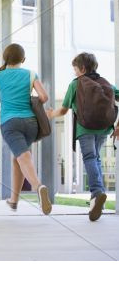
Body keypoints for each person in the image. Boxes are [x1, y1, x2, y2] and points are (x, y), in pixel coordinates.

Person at [47, 52, 119, 221]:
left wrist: (51, 114)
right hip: (103, 128)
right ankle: (96, 198)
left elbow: (63, 110)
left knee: (89, 158)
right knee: (96, 159)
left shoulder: (76, 84)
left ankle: (97, 192)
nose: (74, 73)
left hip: (85, 128)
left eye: (75, 70)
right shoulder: (107, 84)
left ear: (82, 68)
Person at [0, 43, 52, 215]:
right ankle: (14, 200)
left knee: (23, 157)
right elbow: (44, 97)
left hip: (10, 123)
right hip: (31, 123)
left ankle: (38, 187)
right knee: (18, 158)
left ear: (5, 58)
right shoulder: (31, 74)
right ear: (23, 59)